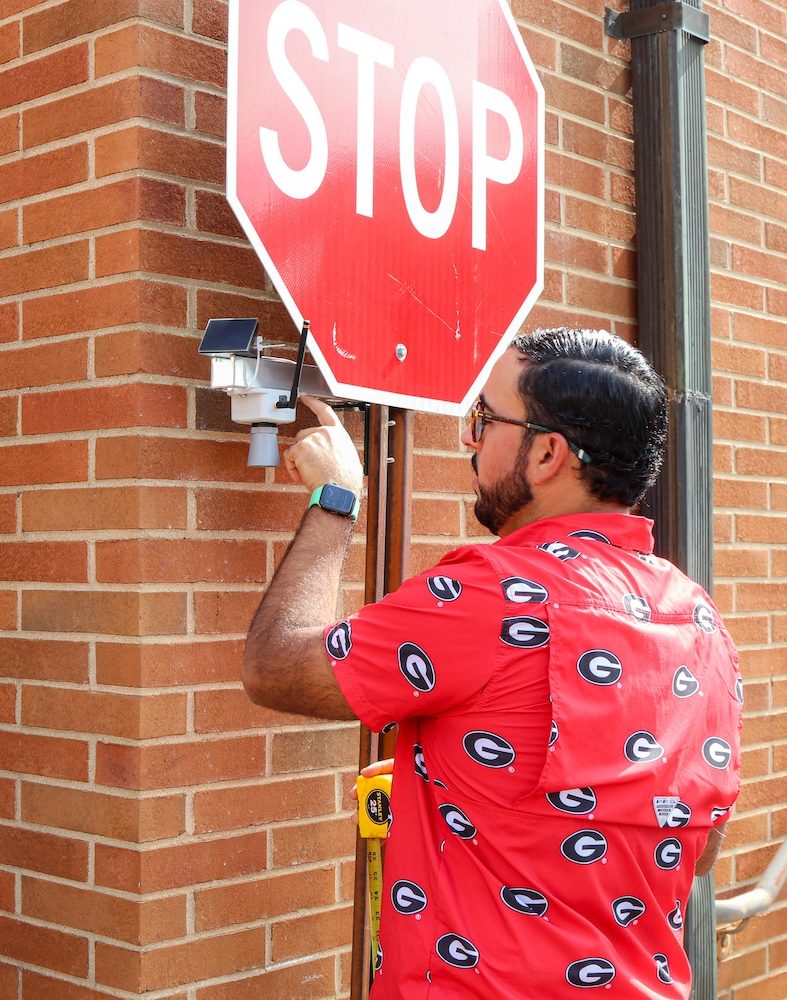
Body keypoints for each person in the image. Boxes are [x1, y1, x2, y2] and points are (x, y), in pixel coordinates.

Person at [243, 328, 742, 999]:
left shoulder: (492, 594)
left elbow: (276, 664)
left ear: (546, 454)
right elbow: (696, 848)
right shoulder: (700, 620)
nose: (468, 439)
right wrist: (477, 780)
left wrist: (338, 498)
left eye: (483, 418)